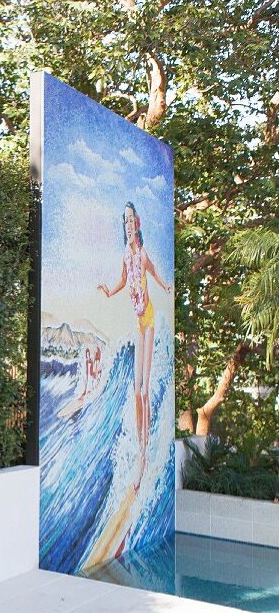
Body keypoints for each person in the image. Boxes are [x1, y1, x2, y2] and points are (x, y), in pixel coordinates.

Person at [98, 202, 172, 485]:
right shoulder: (125, 257)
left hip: (149, 319)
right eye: (125, 221)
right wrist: (108, 292)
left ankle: (145, 450)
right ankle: (142, 448)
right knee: (134, 388)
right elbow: (122, 281)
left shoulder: (142, 255)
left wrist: (166, 286)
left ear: (138, 225)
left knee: (144, 389)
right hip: (137, 321)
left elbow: (153, 273)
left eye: (131, 220)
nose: (128, 225)